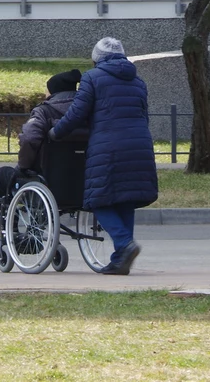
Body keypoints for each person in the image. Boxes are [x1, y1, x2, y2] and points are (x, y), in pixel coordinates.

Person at [48, 37, 158, 275]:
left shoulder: (92, 78)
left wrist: (57, 131)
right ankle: (120, 260)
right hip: (140, 144)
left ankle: (124, 244)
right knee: (126, 200)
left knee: (97, 201)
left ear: (96, 58)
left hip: (109, 145)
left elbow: (78, 112)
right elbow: (144, 116)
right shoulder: (138, 81)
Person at [0, 69, 82, 254]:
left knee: (2, 176)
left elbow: (29, 139)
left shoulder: (44, 111)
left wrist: (23, 166)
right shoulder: (88, 112)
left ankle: (6, 233)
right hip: (83, 183)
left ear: (53, 92)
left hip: (47, 182)